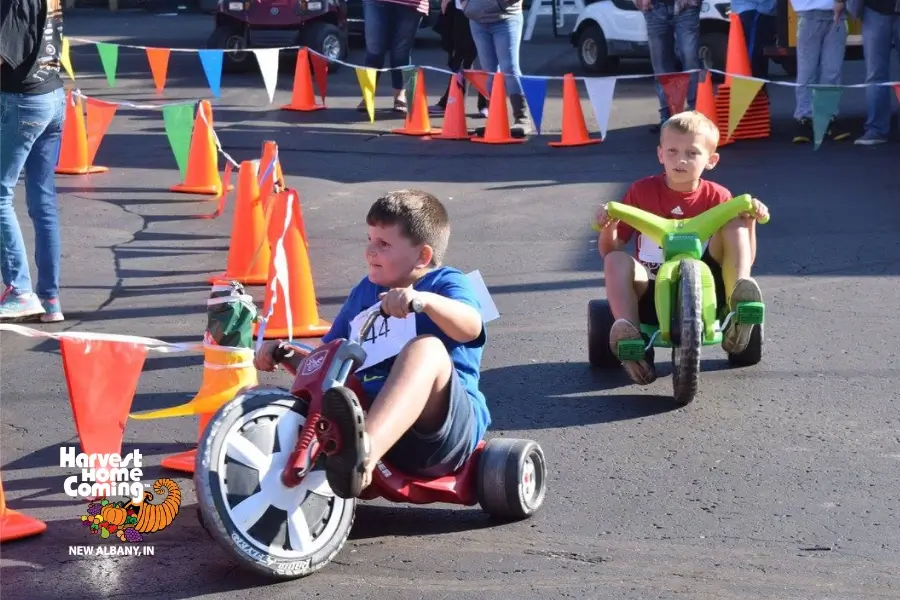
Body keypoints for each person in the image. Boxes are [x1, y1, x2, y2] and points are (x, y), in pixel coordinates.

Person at [255, 190, 490, 499]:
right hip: (364, 419)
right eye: (369, 240)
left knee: (426, 348)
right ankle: (256, 470)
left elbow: (471, 326)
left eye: (384, 244)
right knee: (312, 376)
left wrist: (424, 301)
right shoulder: (365, 292)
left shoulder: (448, 283)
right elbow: (330, 356)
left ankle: (362, 458)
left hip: (438, 437)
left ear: (422, 256)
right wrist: (286, 352)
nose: (369, 252)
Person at [593, 111, 769, 384]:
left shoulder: (718, 196)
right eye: (673, 151)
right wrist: (610, 225)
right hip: (649, 287)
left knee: (734, 221)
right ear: (660, 154)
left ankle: (738, 305)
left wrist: (749, 222)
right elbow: (610, 248)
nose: (681, 159)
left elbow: (746, 252)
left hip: (708, 288)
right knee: (615, 260)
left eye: (692, 152)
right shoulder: (641, 192)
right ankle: (630, 335)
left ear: (711, 160)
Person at [0, 0, 67, 322]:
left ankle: (20, 292)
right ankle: (49, 298)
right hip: (52, 96)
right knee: (43, 202)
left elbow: (4, 54)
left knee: (0, 195)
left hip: (23, 101)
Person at [462, 0, 532, 135]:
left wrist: (499, 4)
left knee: (509, 69)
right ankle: (495, 119)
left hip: (506, 18)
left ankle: (522, 118)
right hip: (477, 20)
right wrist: (466, 5)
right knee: (488, 71)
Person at [790, 0, 850, 143]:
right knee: (807, 71)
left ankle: (828, 117)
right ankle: (804, 118)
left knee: (832, 69)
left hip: (838, 14)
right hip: (808, 13)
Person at [637, 0, 702, 130]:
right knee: (660, 62)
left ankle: (698, 111)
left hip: (686, 7)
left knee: (690, 57)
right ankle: (668, 116)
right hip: (654, 8)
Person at [357, 0, 428, 114]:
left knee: (401, 53)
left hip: (411, 3)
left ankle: (401, 95)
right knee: (374, 50)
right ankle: (368, 95)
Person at [847, 0, 900, 145]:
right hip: (875, 10)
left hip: (875, 12)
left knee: (875, 75)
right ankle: (876, 130)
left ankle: (876, 130)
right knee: (875, 74)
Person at [429, 0, 489, 118]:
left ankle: (486, 103)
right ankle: (453, 100)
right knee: (460, 56)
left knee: (486, 57)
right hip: (462, 8)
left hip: (490, 10)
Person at [732, 0, 778, 80]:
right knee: (754, 46)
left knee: (761, 45)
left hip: (758, 11)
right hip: (751, 11)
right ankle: (752, 75)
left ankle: (760, 75)